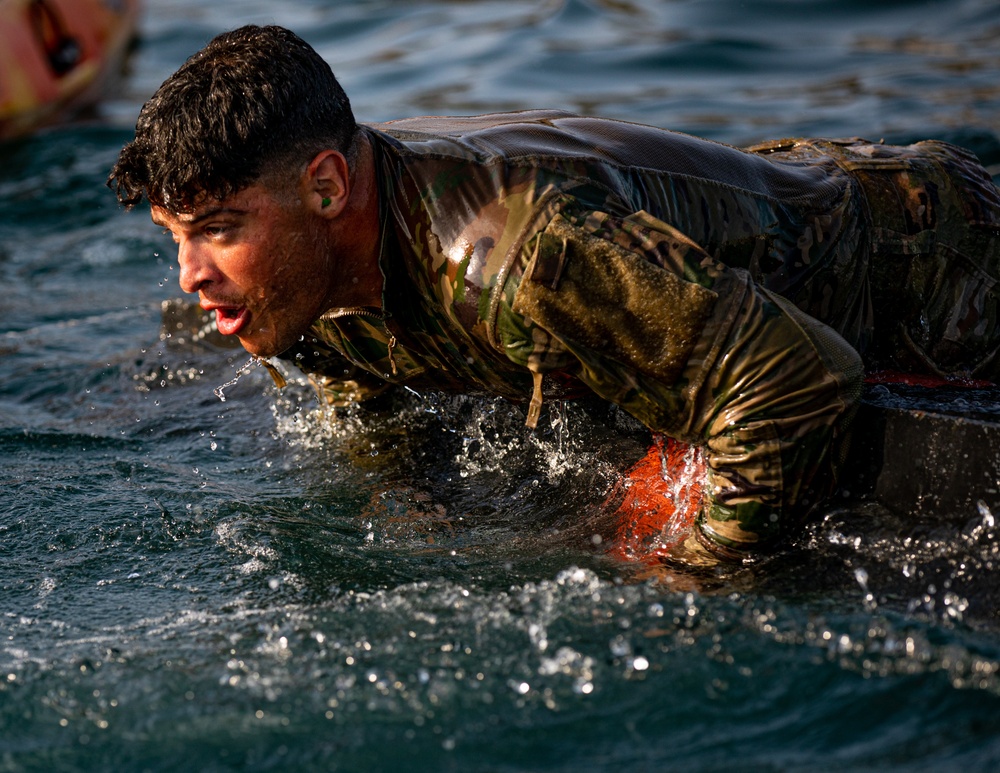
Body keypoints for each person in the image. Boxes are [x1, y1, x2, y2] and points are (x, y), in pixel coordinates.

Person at [108, 25, 1000, 566]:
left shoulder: (520, 258)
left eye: (219, 227)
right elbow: (358, 385)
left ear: (328, 186)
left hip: (930, 262)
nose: (190, 275)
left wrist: (685, 566)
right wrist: (404, 502)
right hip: (751, 241)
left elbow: (798, 388)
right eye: (173, 236)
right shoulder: (291, 285)